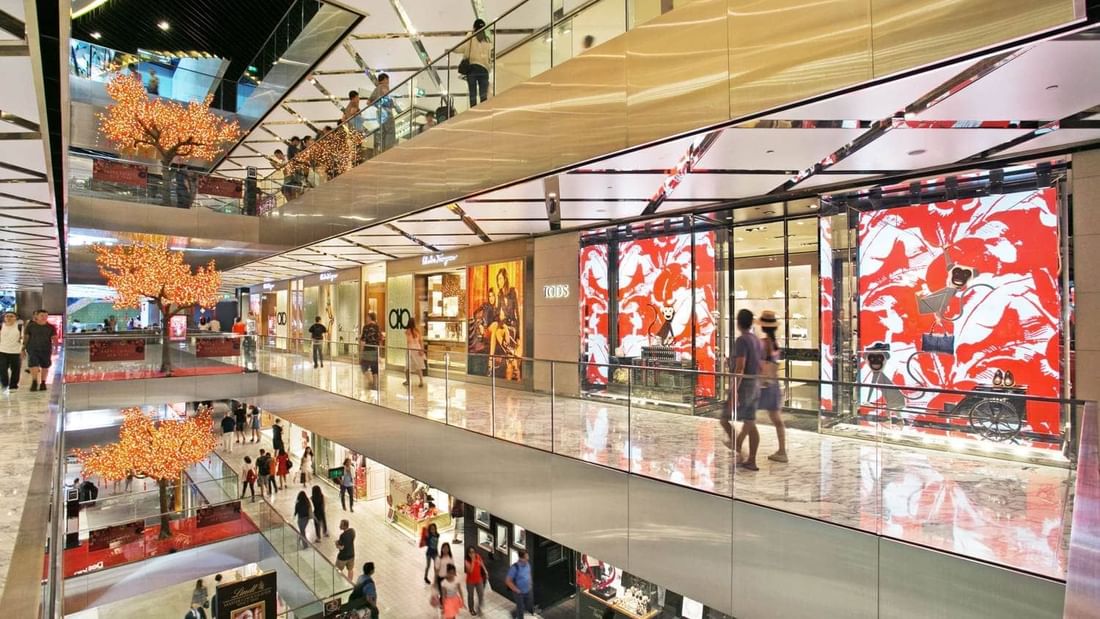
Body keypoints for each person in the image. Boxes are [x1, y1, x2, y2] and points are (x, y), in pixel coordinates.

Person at [729, 308, 763, 471]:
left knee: (749, 422)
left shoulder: (742, 340)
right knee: (750, 422)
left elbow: (740, 367)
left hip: (748, 385)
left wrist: (735, 387)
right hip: (756, 383)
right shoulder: (756, 340)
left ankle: (741, 448)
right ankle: (750, 458)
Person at [758, 310, 788, 463]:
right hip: (774, 383)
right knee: (776, 418)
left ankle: (739, 446)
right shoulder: (776, 344)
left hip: (765, 385)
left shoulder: (764, 343)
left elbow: (761, 365)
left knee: (747, 415)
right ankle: (782, 450)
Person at [23, 309, 56, 391]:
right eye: (41, 315)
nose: (44, 317)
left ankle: (43, 382)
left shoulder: (51, 327)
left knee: (45, 365)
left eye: (46, 316)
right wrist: (23, 348)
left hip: (46, 349)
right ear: (36, 316)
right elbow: (26, 337)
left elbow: (54, 338)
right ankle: (34, 381)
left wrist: (55, 347)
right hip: (32, 348)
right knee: (33, 364)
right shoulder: (30, 326)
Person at [462, 19, 492, 107]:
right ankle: (482, 110)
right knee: (483, 94)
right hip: (484, 69)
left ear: (474, 28)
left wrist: (451, 50)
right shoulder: (487, 40)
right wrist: (489, 67)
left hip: (473, 68)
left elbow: (463, 47)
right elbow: (489, 56)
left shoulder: (471, 36)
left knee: (473, 93)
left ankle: (474, 111)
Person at [368, 73, 395, 153]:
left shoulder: (376, 89)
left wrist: (377, 106)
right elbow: (389, 101)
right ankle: (389, 152)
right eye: (388, 80)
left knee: (383, 133)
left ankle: (383, 152)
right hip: (386, 112)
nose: (388, 82)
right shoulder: (384, 87)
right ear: (384, 80)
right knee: (390, 132)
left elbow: (368, 102)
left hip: (380, 113)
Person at [506, 549, 534, 618]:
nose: (528, 558)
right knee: (521, 610)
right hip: (519, 593)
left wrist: (530, 583)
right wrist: (516, 590)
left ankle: (514, 612)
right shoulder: (515, 568)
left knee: (528, 605)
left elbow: (529, 573)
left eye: (528, 556)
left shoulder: (527, 564)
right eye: (526, 557)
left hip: (528, 590)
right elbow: (508, 581)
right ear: (521, 558)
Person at [359, 311, 383, 389]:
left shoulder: (366, 327)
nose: (366, 318)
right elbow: (380, 339)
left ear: (370, 318)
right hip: (376, 348)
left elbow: (363, 340)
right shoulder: (378, 327)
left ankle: (370, 381)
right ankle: (375, 384)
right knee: (374, 367)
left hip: (368, 348)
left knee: (363, 366)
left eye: (367, 317)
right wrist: (379, 352)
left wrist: (361, 352)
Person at [0, 311, 22, 390]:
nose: (9, 318)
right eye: (7, 316)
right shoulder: (1, 326)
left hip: (15, 352)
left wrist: (22, 350)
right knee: (2, 369)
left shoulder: (19, 327)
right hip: (2, 351)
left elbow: (23, 339)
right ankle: (4, 384)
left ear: (15, 318)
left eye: (11, 316)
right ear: (4, 318)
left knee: (16, 369)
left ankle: (13, 385)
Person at [403, 316, 425, 388]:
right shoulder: (417, 331)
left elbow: (408, 342)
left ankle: (407, 380)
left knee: (407, 366)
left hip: (410, 349)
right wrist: (422, 350)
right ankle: (421, 381)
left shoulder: (407, 331)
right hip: (418, 349)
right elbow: (421, 341)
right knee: (419, 366)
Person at [464, 546, 487, 615]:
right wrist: (473, 561)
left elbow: (482, 563)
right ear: (468, 554)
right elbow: (470, 571)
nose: (472, 554)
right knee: (471, 595)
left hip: (479, 579)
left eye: (473, 552)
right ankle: (471, 609)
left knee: (481, 594)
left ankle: (479, 608)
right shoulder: (466, 561)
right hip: (470, 581)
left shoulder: (478, 556)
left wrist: (485, 571)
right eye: (470, 552)